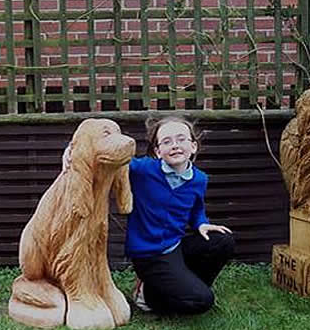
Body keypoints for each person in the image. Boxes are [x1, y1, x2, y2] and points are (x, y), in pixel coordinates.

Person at [63, 115, 235, 315]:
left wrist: (201, 224)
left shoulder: (199, 179)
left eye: (181, 139)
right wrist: (71, 150)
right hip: (149, 255)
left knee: (223, 241)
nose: (175, 146)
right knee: (202, 302)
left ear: (193, 146)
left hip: (175, 247)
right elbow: (105, 152)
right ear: (157, 151)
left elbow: (196, 209)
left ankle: (184, 288)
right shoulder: (142, 170)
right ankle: (149, 296)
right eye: (167, 142)